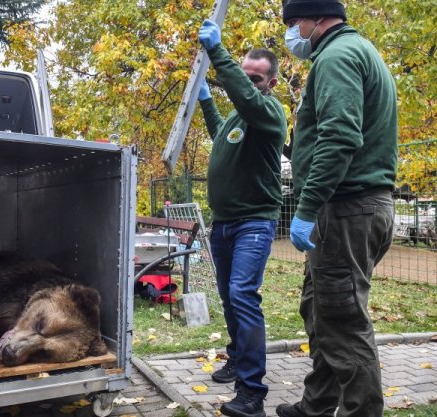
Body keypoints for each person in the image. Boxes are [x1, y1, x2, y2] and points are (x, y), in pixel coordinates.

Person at [278, 1, 398, 416]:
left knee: (342, 320)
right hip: (357, 206)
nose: (291, 32)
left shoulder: (336, 56)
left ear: (317, 18)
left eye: (294, 23)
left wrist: (308, 206)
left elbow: (341, 135)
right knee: (320, 309)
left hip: (347, 207)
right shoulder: (358, 50)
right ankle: (317, 405)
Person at [197, 19, 287, 417]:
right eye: (245, 75)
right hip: (225, 223)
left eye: (257, 78)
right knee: (228, 297)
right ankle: (236, 357)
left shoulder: (269, 112)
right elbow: (222, 134)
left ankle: (252, 393)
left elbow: (247, 102)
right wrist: (204, 101)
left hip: (254, 221)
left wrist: (219, 53)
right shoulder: (239, 117)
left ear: (269, 83)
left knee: (242, 295)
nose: (250, 83)